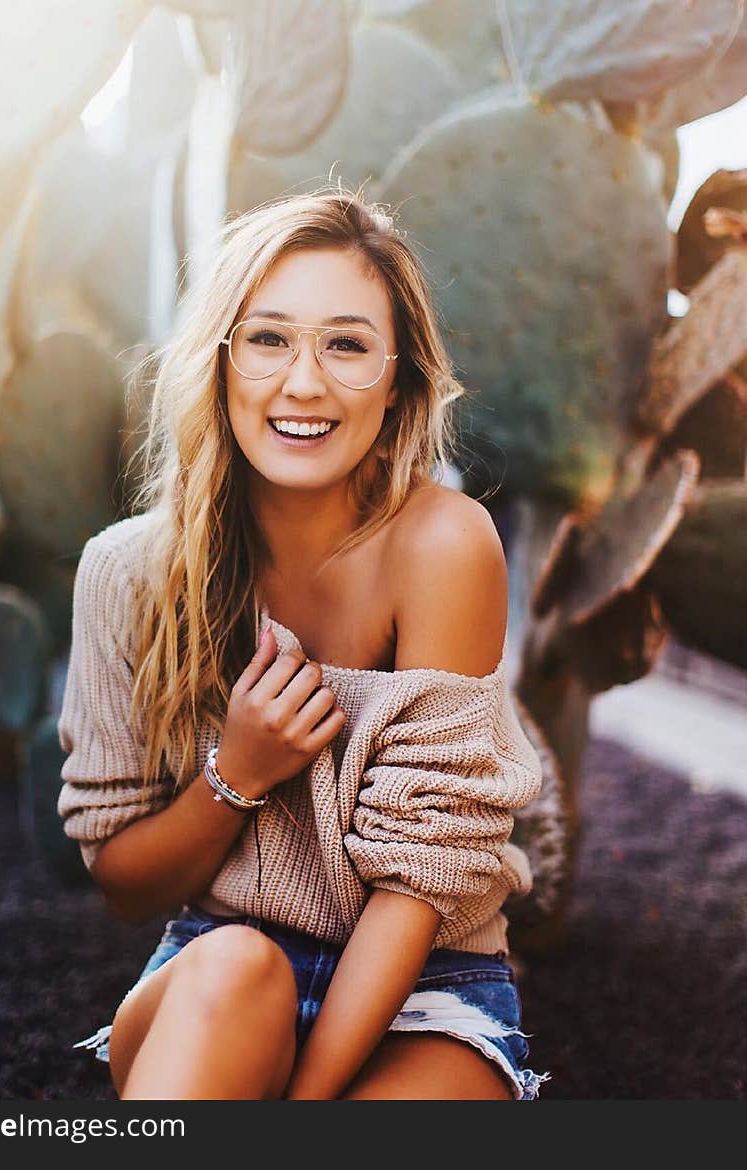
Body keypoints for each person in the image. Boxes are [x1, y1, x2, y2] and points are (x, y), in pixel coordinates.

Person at [57, 186, 550, 1101]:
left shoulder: (444, 546)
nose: (304, 382)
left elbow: (425, 875)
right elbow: (121, 877)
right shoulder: (125, 572)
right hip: (215, 969)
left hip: (427, 990)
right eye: (269, 338)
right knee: (240, 964)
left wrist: (307, 1103)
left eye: (348, 344)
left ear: (399, 379)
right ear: (220, 362)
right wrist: (237, 771)